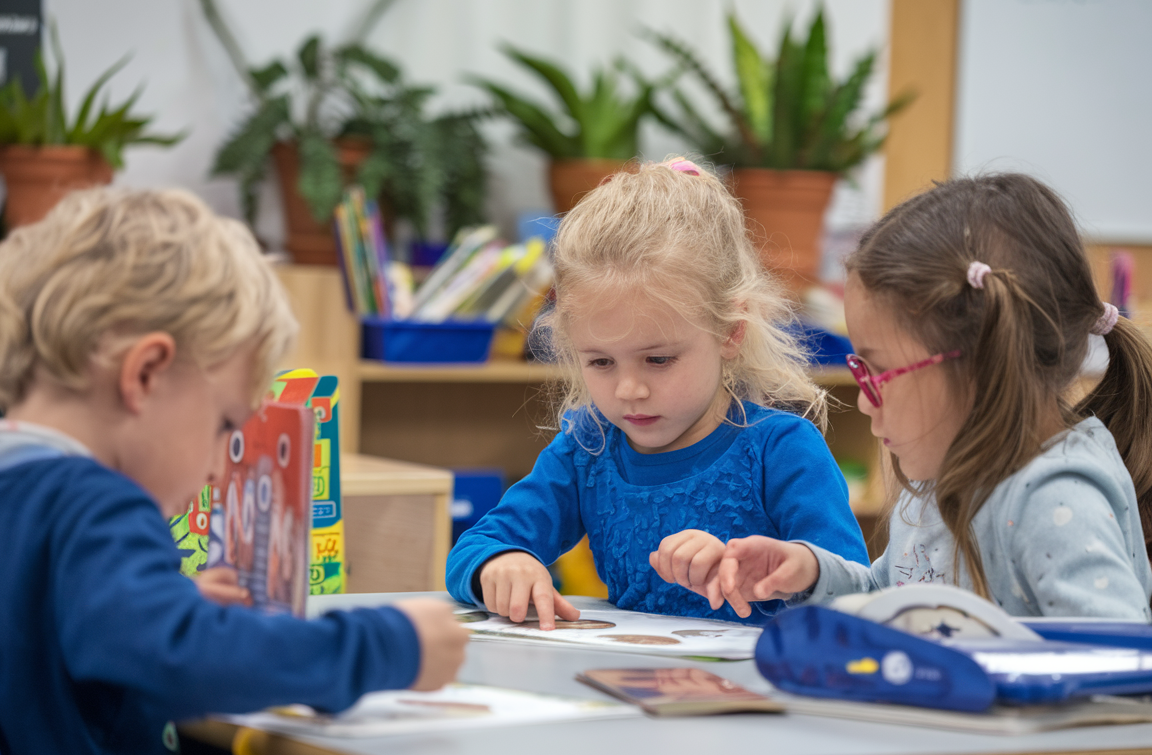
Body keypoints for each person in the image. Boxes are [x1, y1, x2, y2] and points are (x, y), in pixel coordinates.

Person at [0, 188, 469, 755]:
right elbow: (184, 662)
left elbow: (43, 622)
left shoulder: (21, 486)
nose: (221, 467)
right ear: (145, 374)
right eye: (225, 425)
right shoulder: (95, 503)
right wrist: (389, 644)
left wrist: (160, 599)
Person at [683, 173, 1152, 621]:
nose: (864, 400)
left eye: (880, 372)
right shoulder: (939, 480)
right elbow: (887, 599)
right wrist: (809, 573)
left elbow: (1116, 653)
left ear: (983, 366)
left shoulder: (1056, 498)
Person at [445, 158, 869, 628]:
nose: (629, 390)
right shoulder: (587, 448)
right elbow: (476, 546)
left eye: (659, 359)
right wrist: (501, 563)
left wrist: (766, 568)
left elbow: (856, 592)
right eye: (601, 362)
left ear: (731, 331)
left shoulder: (781, 450)